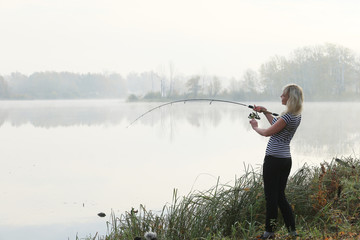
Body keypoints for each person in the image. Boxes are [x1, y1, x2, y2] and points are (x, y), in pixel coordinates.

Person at [249, 84, 304, 239]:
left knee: (271, 197)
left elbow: (267, 132)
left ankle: (269, 232)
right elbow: (277, 125)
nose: (281, 97)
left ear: (290, 98)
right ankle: (292, 231)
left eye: (283, 95)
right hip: (285, 160)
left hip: (274, 160)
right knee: (280, 196)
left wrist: (255, 127)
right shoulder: (296, 116)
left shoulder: (287, 117)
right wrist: (265, 111)